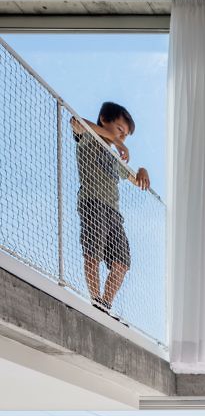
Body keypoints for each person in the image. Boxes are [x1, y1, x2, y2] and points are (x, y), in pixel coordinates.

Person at [72, 101, 150, 313]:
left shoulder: (116, 158)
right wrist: (115, 140)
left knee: (122, 262)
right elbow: (76, 121)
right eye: (119, 130)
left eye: (125, 136)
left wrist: (142, 170)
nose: (122, 138)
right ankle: (96, 300)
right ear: (104, 120)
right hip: (92, 203)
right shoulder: (89, 138)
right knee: (92, 254)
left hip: (114, 214)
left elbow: (136, 179)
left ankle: (104, 305)